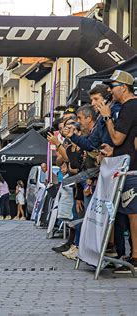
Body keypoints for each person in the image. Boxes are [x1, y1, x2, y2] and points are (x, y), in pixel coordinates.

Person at [97, 70, 137, 272]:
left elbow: (118, 139)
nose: (110, 91)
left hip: (131, 170)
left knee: (132, 214)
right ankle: (129, 254)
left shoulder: (129, 107)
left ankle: (135, 257)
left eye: (112, 87)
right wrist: (114, 150)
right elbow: (125, 142)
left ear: (123, 87)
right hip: (127, 165)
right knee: (126, 213)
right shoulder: (130, 106)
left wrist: (107, 118)